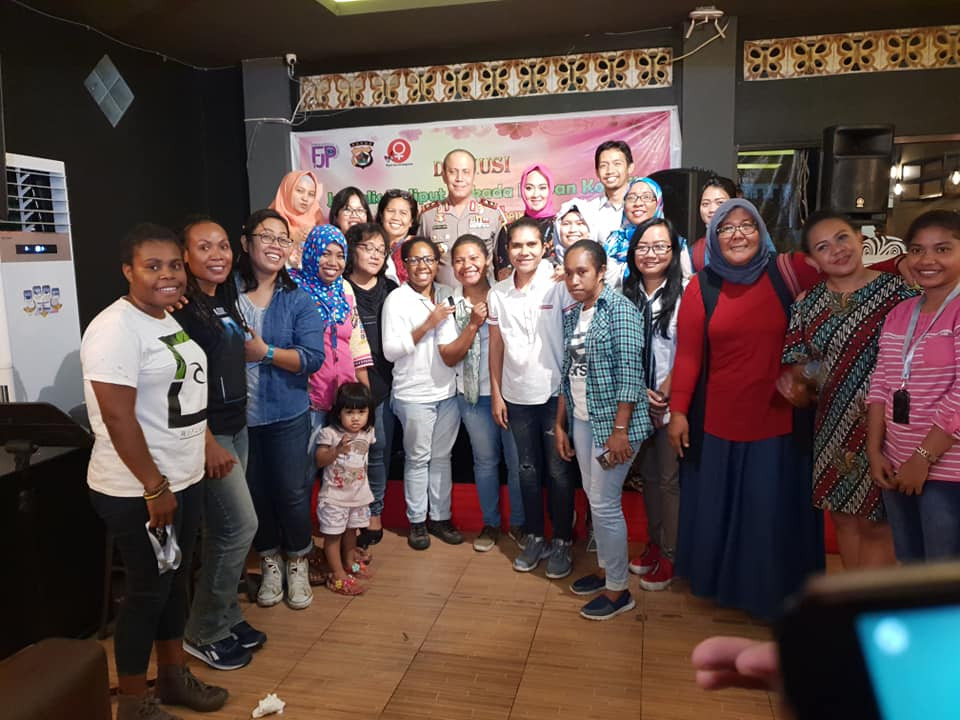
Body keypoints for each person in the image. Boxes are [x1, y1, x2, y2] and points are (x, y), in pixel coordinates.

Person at [81, 223, 227, 720]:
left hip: (181, 479)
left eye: (174, 265)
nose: (168, 274)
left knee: (175, 583)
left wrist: (201, 447)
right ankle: (132, 702)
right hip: (137, 489)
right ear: (128, 271)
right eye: (153, 266)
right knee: (147, 592)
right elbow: (117, 417)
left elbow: (182, 397)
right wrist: (154, 486)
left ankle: (171, 678)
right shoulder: (114, 328)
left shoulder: (165, 318)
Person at [667, 198, 826, 620]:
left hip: (779, 418)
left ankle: (769, 597)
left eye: (747, 225)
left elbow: (843, 276)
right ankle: (726, 591)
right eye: (727, 228)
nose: (737, 234)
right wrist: (678, 412)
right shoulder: (701, 287)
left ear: (761, 231)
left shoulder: (790, 270)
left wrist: (908, 264)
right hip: (719, 420)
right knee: (722, 513)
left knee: (767, 514)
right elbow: (688, 357)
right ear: (713, 237)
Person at [780, 210, 915, 570]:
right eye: (823, 247)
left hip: (888, 425)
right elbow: (799, 362)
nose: (837, 250)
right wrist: (798, 384)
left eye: (842, 238)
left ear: (860, 239)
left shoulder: (901, 291)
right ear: (813, 261)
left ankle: (873, 600)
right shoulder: (807, 304)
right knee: (842, 517)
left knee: (877, 523)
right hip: (832, 424)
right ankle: (856, 598)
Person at [174, 218, 264, 672]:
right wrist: (206, 439)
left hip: (236, 426)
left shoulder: (221, 299)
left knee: (222, 531)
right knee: (240, 527)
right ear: (185, 256)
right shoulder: (181, 310)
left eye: (224, 246)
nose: (217, 254)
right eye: (204, 247)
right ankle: (204, 631)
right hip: (209, 436)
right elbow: (180, 384)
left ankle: (226, 616)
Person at [235, 209, 326, 611]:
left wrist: (266, 352)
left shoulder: (297, 299)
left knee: (291, 493)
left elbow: (313, 357)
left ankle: (298, 562)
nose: (275, 245)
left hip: (287, 414)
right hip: (239, 419)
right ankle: (270, 562)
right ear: (246, 243)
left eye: (282, 239)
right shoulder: (226, 295)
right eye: (266, 236)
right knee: (255, 494)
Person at [555, 239, 650, 620]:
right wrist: (560, 424)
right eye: (569, 273)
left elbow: (631, 374)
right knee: (597, 502)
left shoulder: (620, 310)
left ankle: (618, 591)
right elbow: (569, 375)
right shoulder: (574, 314)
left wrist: (620, 429)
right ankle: (607, 571)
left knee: (606, 504)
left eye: (582, 272)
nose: (574, 280)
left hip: (614, 426)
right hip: (582, 419)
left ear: (601, 272)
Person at [867, 210, 960, 563]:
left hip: (947, 470)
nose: (927, 260)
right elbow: (881, 383)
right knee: (910, 567)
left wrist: (922, 458)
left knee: (941, 574)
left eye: (942, 249)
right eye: (918, 250)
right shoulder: (901, 313)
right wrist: (875, 451)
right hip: (896, 463)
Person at [488, 217, 577, 577]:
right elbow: (496, 346)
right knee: (526, 469)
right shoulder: (498, 293)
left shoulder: (559, 285)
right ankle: (536, 537)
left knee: (558, 471)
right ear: (507, 250)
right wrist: (497, 393)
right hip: (516, 396)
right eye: (516, 245)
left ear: (544, 247)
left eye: (531, 244)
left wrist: (567, 396)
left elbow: (572, 343)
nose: (523, 252)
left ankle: (563, 541)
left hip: (554, 395)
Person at [438, 234, 524, 552]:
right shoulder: (449, 303)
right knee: (485, 462)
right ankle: (490, 523)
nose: (467, 265)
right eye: (459, 260)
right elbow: (449, 356)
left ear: (486, 260)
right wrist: (472, 324)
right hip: (472, 397)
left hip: (511, 393)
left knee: (516, 462)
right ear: (452, 266)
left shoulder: (505, 293)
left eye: (474, 257)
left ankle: (520, 523)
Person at [382, 238, 464, 550]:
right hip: (413, 394)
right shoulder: (397, 300)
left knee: (442, 458)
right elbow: (390, 351)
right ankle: (417, 521)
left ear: (436, 263)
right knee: (417, 459)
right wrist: (428, 324)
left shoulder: (445, 295)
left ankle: (441, 518)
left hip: (447, 392)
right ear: (404, 265)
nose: (422, 266)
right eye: (415, 260)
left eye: (428, 259)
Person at [621, 217, 687, 591]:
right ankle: (656, 544)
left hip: (670, 403)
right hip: (635, 402)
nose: (651, 254)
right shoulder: (624, 293)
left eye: (660, 246)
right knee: (647, 479)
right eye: (643, 247)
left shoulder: (686, 294)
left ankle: (672, 555)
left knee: (669, 481)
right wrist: (638, 390)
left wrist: (663, 392)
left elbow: (689, 351)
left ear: (673, 251)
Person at [344, 222, 398, 548]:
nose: (376, 255)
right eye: (368, 248)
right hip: (351, 384)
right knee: (353, 454)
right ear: (352, 250)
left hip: (387, 382)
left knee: (379, 450)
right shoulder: (340, 288)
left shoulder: (391, 288)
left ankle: (374, 512)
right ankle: (352, 515)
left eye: (381, 249)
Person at [289, 224, 373, 433]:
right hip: (307, 399)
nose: (333, 263)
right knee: (310, 453)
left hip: (344, 401)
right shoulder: (293, 288)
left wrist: (365, 398)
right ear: (311, 252)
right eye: (325, 254)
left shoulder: (344, 288)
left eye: (340, 256)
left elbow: (356, 343)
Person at [313, 382, 377, 595]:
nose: (356, 418)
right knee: (333, 536)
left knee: (352, 532)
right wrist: (337, 451)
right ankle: (337, 574)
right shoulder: (330, 433)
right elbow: (319, 460)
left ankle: (350, 564)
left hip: (359, 497)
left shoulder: (368, 433)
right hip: (334, 499)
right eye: (349, 412)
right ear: (338, 412)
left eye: (361, 412)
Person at [418, 148, 507, 287]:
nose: (459, 178)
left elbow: (503, 265)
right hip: (444, 297)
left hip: (484, 297)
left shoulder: (492, 214)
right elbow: (420, 261)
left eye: (466, 172)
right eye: (453, 172)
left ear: (474, 175)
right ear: (444, 176)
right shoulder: (428, 216)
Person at [494, 164, 557, 278]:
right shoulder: (509, 230)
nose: (536, 194)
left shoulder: (562, 227)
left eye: (542, 188)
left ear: (550, 189)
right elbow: (503, 275)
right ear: (522, 190)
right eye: (529, 188)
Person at [269, 170, 324, 269]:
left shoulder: (318, 220)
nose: (305, 198)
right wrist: (293, 240)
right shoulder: (270, 221)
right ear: (288, 190)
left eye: (311, 194)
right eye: (299, 191)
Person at [588, 140, 634, 249]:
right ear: (597, 172)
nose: (610, 171)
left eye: (617, 164)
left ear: (630, 167)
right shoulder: (590, 211)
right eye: (603, 165)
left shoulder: (643, 206)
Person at [691, 176, 738, 272]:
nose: (712, 209)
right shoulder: (695, 251)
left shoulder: (750, 239)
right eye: (705, 204)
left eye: (720, 202)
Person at [376, 188, 419, 285]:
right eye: (391, 211)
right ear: (381, 215)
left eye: (403, 213)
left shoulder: (417, 248)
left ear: (411, 221)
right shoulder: (372, 245)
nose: (396, 217)